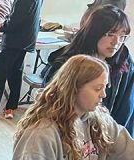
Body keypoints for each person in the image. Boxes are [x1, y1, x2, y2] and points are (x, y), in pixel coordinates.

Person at [4, 55, 134, 160]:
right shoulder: (41, 132)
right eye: (97, 88)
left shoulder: (99, 122)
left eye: (105, 87)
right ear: (74, 88)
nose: (103, 95)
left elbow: (127, 154)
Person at [41, 6, 134, 134]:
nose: (116, 42)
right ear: (94, 33)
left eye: (122, 36)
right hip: (70, 135)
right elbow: (53, 108)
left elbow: (126, 109)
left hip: (107, 136)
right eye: (110, 34)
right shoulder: (69, 64)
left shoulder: (125, 63)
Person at [0, 0, 42, 125]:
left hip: (15, 39)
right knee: (15, 71)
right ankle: (11, 106)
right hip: (27, 37)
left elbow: (17, 17)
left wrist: (2, 26)